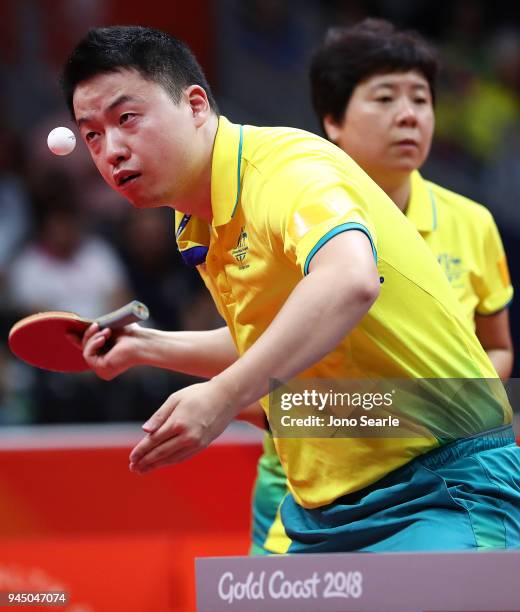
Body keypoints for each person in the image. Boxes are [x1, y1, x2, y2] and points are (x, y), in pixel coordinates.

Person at [61, 25, 520, 554]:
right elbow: (274, 338)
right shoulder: (195, 220)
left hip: (443, 483)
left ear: (194, 104)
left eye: (126, 118)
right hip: (325, 506)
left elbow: (349, 280)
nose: (111, 149)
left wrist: (223, 395)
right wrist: (146, 346)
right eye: (92, 134)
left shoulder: (285, 166)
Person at [250, 18, 516, 554]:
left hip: (439, 482)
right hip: (307, 491)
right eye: (385, 97)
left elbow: (497, 347)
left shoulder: (472, 222)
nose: (409, 115)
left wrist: (444, 402)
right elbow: (260, 375)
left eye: (421, 98)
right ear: (333, 121)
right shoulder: (286, 224)